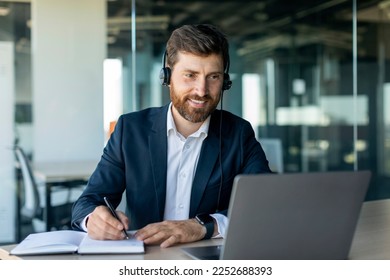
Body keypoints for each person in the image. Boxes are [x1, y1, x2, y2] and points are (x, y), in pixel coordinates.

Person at [71, 23, 272, 248]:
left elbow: (265, 204)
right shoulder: (130, 129)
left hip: (208, 260)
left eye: (213, 77)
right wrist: (93, 220)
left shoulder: (239, 134)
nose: (202, 90)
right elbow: (87, 202)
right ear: (167, 76)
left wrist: (202, 226)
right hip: (145, 258)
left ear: (224, 81)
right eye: (190, 75)